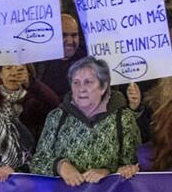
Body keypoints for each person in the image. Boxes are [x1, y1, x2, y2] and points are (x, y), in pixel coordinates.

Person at [32, 57, 140, 185]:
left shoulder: (123, 118)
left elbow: (133, 165)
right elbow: (37, 162)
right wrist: (61, 166)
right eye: (76, 82)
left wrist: (107, 172)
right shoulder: (56, 117)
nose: (81, 89)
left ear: (103, 86)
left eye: (88, 82)